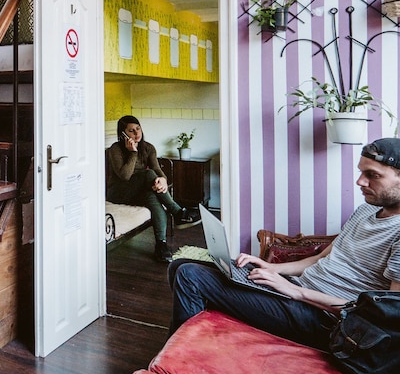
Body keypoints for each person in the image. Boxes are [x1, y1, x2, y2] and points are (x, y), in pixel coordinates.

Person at [169, 138, 400, 351]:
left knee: (190, 276)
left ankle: (183, 360)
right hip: (298, 290)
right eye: (361, 172)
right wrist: (272, 269)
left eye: (373, 175)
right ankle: (200, 346)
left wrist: (297, 292)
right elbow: (320, 259)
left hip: (327, 319)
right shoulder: (364, 211)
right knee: (178, 265)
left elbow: (386, 315)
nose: (360, 181)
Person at [107, 115, 192, 263]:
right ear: (123, 134)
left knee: (153, 197)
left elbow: (157, 170)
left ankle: (161, 244)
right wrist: (133, 152)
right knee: (148, 174)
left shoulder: (148, 148)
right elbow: (125, 176)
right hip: (118, 192)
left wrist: (163, 180)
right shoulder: (115, 149)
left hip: (138, 191)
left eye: (138, 128)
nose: (137, 133)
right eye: (131, 130)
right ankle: (177, 211)